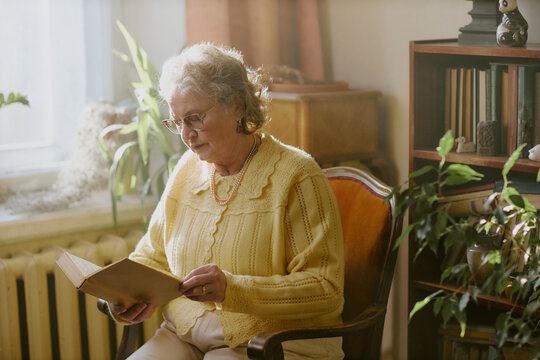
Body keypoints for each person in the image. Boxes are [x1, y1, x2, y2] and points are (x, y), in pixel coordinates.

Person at [109, 43, 345, 360]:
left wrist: (233, 290)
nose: (186, 135)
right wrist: (126, 293)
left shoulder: (297, 176)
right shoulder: (186, 170)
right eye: (177, 122)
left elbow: (325, 288)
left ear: (235, 105)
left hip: (271, 342)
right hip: (185, 333)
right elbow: (153, 256)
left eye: (194, 118)